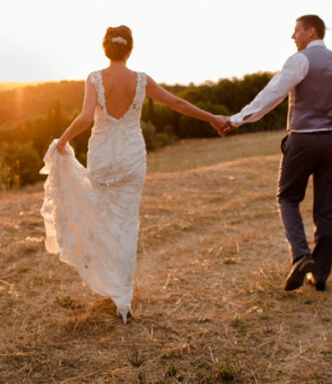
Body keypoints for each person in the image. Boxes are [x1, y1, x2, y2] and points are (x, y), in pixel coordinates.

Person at [40, 25, 231, 322]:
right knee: (126, 225)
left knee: (103, 218)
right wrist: (212, 119)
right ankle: (123, 298)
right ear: (130, 50)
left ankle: (108, 283)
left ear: (106, 49)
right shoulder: (142, 80)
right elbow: (177, 103)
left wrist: (62, 140)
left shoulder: (94, 78)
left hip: (102, 156)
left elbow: (86, 117)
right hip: (131, 157)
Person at [222, 15, 332, 292]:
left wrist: (237, 119)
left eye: (296, 30)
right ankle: (320, 276)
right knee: (325, 209)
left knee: (287, 197)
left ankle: (302, 255)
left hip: (303, 140)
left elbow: (273, 94)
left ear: (311, 31)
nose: (293, 36)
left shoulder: (300, 61)